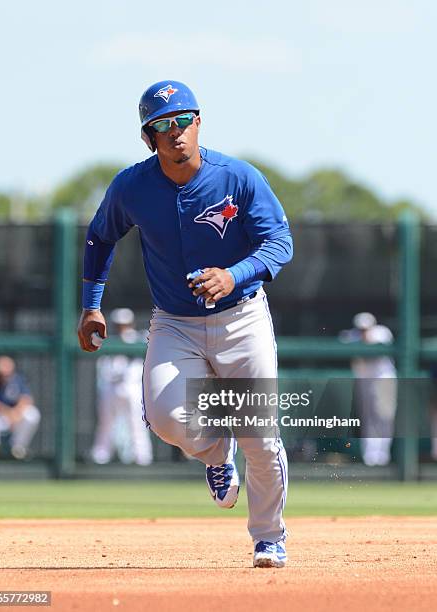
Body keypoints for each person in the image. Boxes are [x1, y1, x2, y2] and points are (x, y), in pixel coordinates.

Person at [77, 80, 293, 568]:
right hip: (174, 321)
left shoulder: (237, 177)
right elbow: (98, 237)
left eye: (182, 120)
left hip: (242, 318)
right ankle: (217, 453)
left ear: (198, 123)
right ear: (148, 137)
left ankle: (268, 536)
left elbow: (280, 243)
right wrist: (92, 304)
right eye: (161, 125)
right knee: (166, 418)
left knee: (260, 433)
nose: (174, 132)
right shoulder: (132, 185)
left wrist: (233, 274)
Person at [90, 308, 153, 466]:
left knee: (137, 423)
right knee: (106, 422)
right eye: (118, 324)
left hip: (132, 387)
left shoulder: (138, 337)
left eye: (124, 324)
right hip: (111, 386)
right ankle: (101, 455)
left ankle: (142, 457)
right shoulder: (109, 340)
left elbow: (148, 340)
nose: (121, 327)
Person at [340, 312, 397, 466]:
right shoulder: (353, 335)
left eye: (366, 328)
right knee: (368, 418)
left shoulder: (382, 333)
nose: (363, 331)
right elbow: (342, 340)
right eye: (361, 328)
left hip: (383, 380)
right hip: (365, 382)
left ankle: (383, 456)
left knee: (384, 417)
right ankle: (370, 458)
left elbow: (375, 346)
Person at [0, 356, 41, 459]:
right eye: (2, 373)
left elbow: (27, 399)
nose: (5, 376)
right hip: (0, 419)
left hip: (16, 418)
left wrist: (15, 414)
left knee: (32, 414)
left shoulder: (18, 379)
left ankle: (18, 448)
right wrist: (8, 413)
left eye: (8, 372)